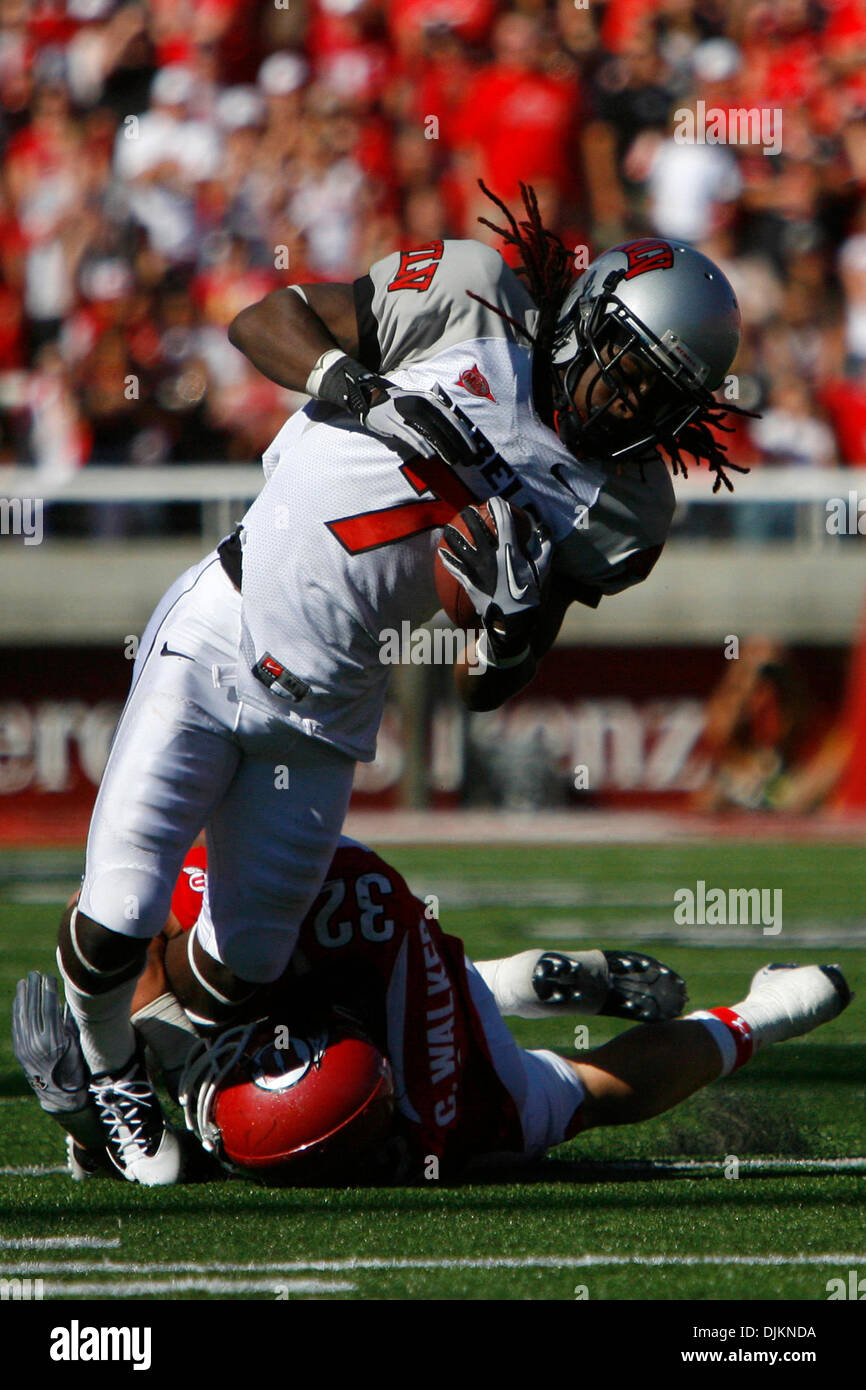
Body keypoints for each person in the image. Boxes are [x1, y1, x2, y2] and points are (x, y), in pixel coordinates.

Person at [55, 184, 752, 1185]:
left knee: (242, 964)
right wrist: (359, 389)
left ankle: (144, 1065)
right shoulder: (473, 300)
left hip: (330, 701)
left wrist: (510, 620)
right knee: (121, 904)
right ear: (588, 320)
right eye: (626, 367)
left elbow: (487, 685)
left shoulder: (620, 512)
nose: (629, 402)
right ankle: (108, 1071)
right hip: (219, 626)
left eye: (660, 396)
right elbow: (264, 318)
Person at [16, 839, 849, 1183]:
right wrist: (111, 1073)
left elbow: (173, 1168)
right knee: (567, 1100)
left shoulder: (396, 1120)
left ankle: (757, 1012)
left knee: (552, 1107)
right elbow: (106, 912)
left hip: (382, 953)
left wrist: (98, 1128)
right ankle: (513, 983)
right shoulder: (198, 910)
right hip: (335, 947)